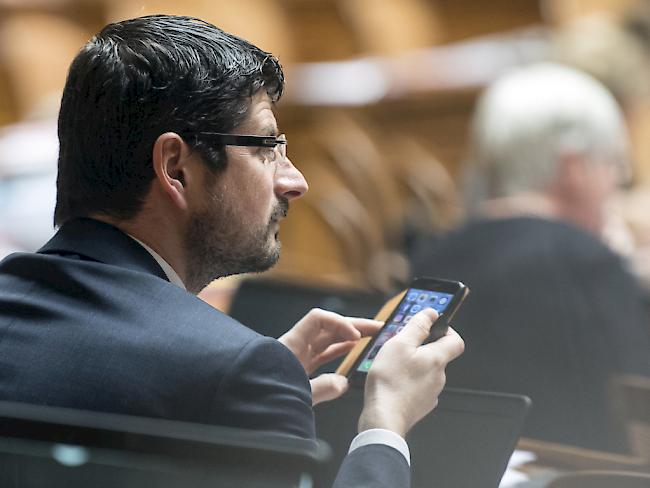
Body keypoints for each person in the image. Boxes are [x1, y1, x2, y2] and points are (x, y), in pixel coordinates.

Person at [0, 15, 464, 487]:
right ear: (176, 167)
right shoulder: (235, 370)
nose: (295, 181)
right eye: (266, 148)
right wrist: (384, 427)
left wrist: (247, 397)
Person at [410, 63, 650, 453]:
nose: (616, 183)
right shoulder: (585, 262)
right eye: (612, 165)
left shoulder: (435, 253)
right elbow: (638, 410)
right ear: (574, 167)